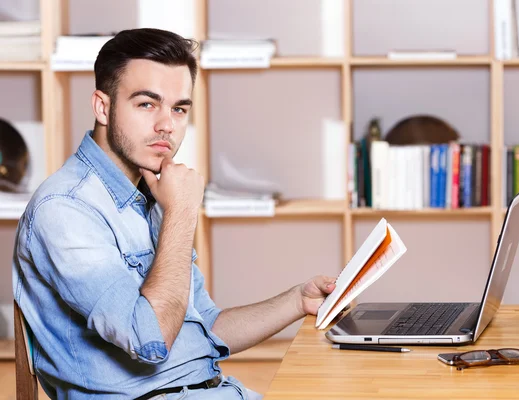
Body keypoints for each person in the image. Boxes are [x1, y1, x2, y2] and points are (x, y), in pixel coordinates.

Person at [12, 28, 337, 400]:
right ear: (102, 106)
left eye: (179, 108)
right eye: (147, 104)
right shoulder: (66, 209)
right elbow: (149, 339)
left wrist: (297, 301)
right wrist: (182, 211)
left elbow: (207, 327)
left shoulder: (148, 195)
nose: (167, 124)